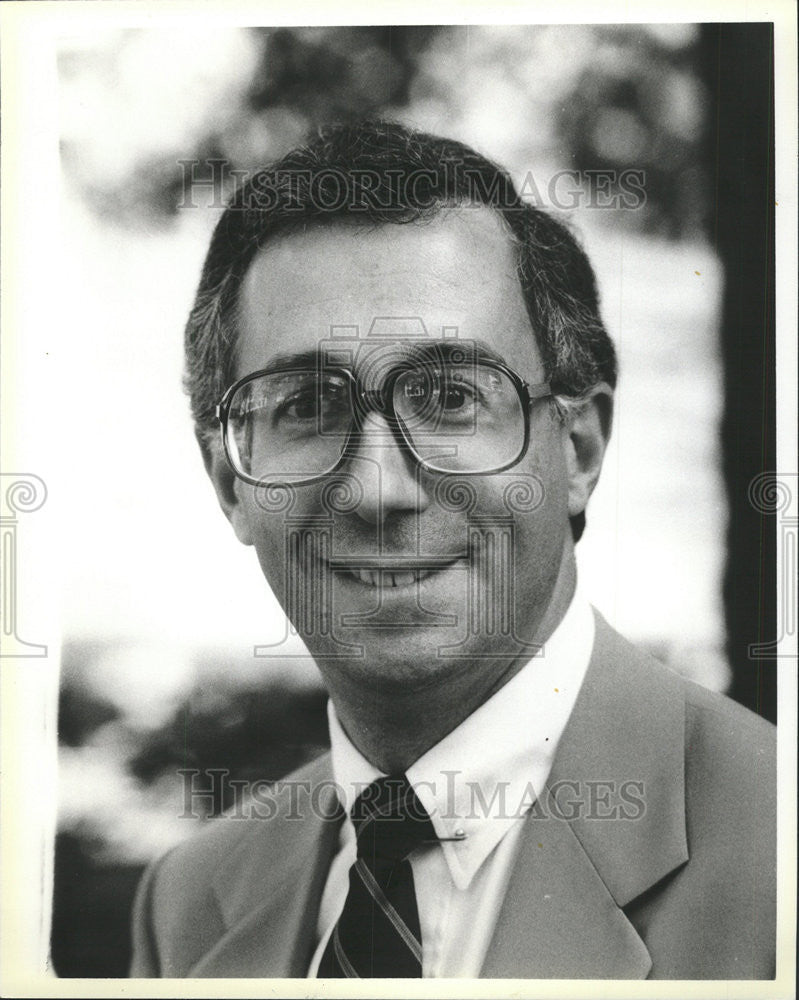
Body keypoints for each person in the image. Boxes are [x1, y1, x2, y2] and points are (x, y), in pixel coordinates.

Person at [129, 121, 775, 979]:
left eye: (448, 397)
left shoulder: (779, 848)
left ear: (577, 451)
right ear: (229, 481)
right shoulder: (188, 902)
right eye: (306, 406)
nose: (378, 489)